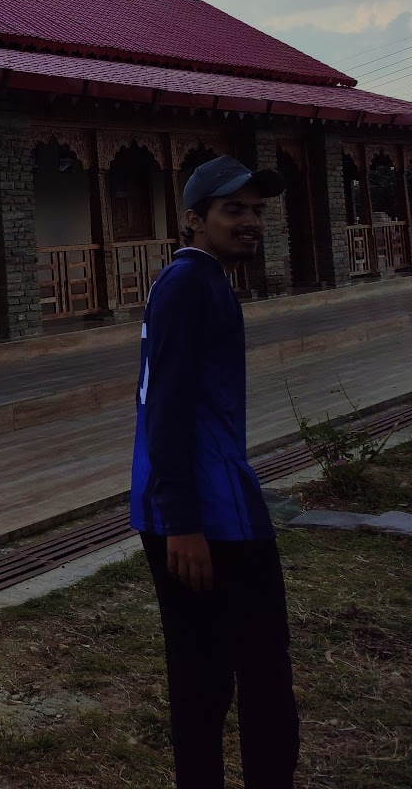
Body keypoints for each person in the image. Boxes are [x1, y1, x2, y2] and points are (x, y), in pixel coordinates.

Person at [130, 154, 301, 789]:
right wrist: (182, 523)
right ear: (194, 219)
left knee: (213, 670)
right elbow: (164, 406)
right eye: (235, 210)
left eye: (257, 210)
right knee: (251, 673)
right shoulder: (188, 285)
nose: (251, 221)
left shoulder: (203, 283)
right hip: (208, 515)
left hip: (210, 502)